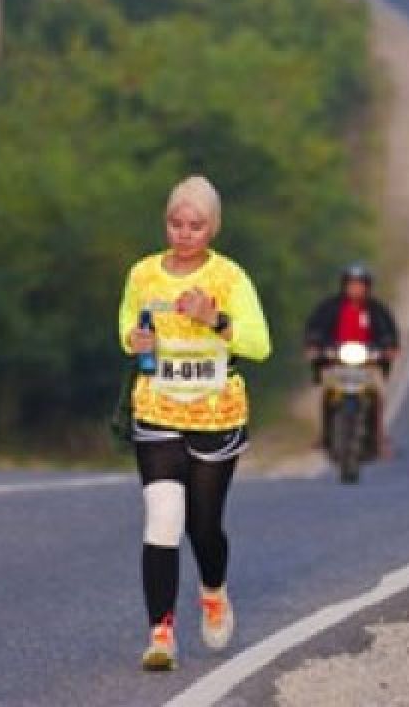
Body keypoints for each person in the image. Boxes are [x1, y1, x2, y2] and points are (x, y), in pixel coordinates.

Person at [119, 174, 272, 671]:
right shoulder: (142, 274)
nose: (184, 233)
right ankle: (161, 633)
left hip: (215, 411)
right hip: (158, 407)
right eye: (176, 223)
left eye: (196, 226)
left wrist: (215, 320)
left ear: (214, 229)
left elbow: (259, 344)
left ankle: (213, 591)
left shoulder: (230, 279)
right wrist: (135, 341)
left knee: (204, 527)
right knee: (163, 519)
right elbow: (127, 326)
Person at [304, 265, 400, 456]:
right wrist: (315, 345)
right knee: (323, 392)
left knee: (379, 392)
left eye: (360, 285)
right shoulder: (330, 307)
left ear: (367, 287)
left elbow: (388, 332)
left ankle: (379, 436)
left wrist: (388, 347)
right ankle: (324, 433)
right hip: (336, 362)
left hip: (367, 363)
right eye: (352, 285)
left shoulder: (376, 310)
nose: (355, 289)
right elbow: (316, 328)